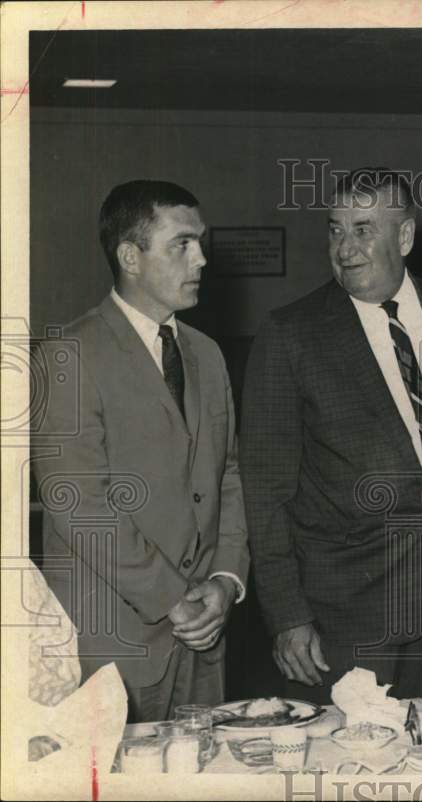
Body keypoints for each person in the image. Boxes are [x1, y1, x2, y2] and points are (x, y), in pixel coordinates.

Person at [240, 168, 422, 708]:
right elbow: (265, 489)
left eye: (364, 229)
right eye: (336, 230)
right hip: (346, 609)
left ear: (405, 237)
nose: (346, 248)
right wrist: (288, 615)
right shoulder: (291, 333)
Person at [31, 180, 250, 721]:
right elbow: (78, 503)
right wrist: (174, 598)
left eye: (200, 242)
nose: (201, 258)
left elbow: (228, 476)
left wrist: (225, 581)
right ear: (130, 256)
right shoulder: (69, 355)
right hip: (114, 645)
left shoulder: (208, 353)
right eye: (182, 244)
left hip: (203, 639)